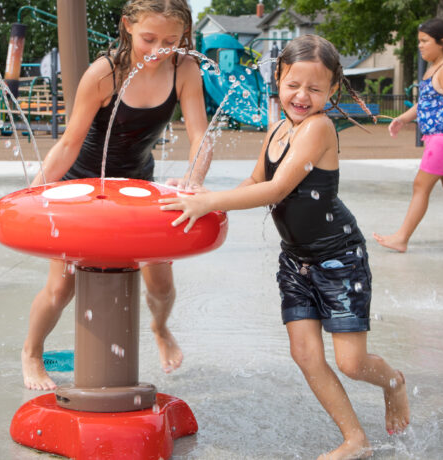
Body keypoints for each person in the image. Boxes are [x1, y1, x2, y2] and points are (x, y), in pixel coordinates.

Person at [160, 34, 409, 460]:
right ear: (278, 77)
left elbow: (277, 188)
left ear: (332, 91)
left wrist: (209, 201)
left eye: (315, 89)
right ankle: (355, 439)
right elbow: (257, 181)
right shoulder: (278, 129)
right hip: (296, 261)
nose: (302, 96)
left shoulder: (319, 128)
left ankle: (394, 383)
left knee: (350, 363)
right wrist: (211, 208)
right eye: (294, 84)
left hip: (339, 260)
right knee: (305, 353)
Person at [22, 0, 211, 391]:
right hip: (83, 184)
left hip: (138, 184)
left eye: (171, 41)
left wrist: (193, 180)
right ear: (127, 26)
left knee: (161, 285)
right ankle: (32, 352)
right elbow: (70, 143)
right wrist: (33, 192)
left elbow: (200, 138)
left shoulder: (184, 69)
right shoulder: (103, 73)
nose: (159, 49)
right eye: (149, 38)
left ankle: (160, 329)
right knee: (61, 288)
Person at [372, 18, 443, 255]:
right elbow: (424, 104)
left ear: (442, 42)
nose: (420, 46)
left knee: (420, 185)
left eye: (425, 41)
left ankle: (401, 238)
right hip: (439, 139)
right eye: (419, 41)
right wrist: (402, 119)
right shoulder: (435, 67)